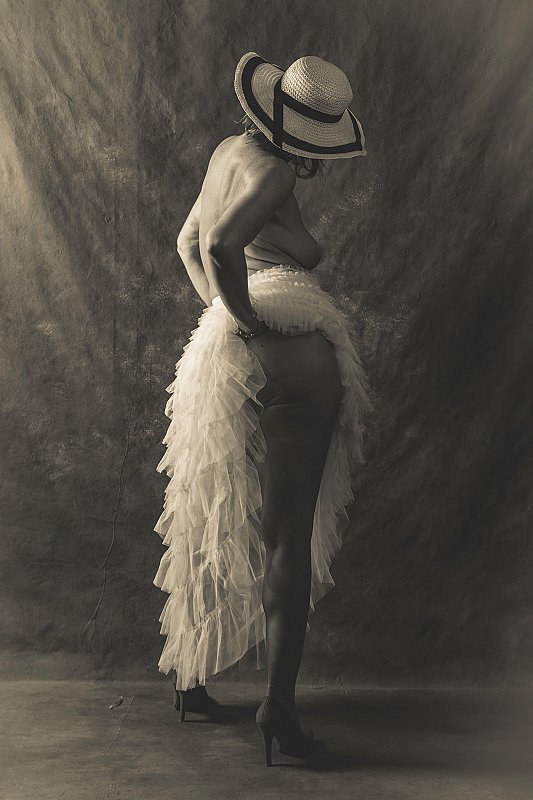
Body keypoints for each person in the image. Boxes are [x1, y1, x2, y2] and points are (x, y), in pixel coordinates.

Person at [152, 52, 373, 766]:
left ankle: (188, 681)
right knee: (285, 532)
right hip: (285, 345)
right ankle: (278, 708)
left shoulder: (229, 151)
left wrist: (226, 322)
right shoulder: (276, 170)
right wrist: (250, 323)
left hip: (221, 347)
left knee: (208, 506)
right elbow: (220, 245)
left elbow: (188, 243)